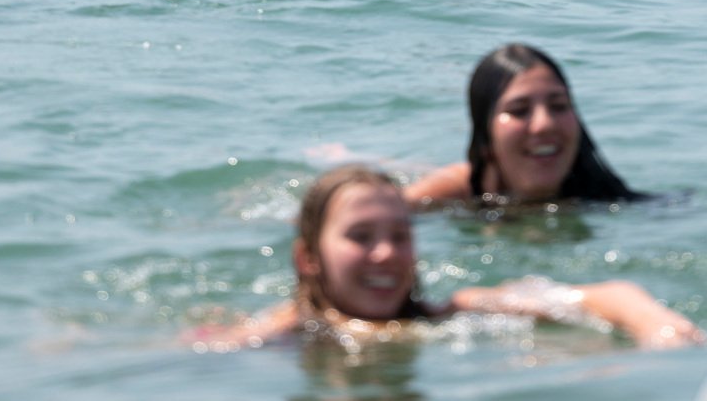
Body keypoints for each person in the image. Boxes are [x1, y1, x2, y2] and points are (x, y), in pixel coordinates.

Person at [185, 165, 700, 351]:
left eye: (400, 235)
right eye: (360, 236)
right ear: (309, 259)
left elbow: (605, 295)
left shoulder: (447, 313)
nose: (386, 254)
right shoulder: (277, 337)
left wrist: (652, 323)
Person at [405, 44, 645, 208]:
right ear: (485, 136)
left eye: (559, 106)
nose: (544, 124)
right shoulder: (453, 193)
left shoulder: (605, 202)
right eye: (519, 111)